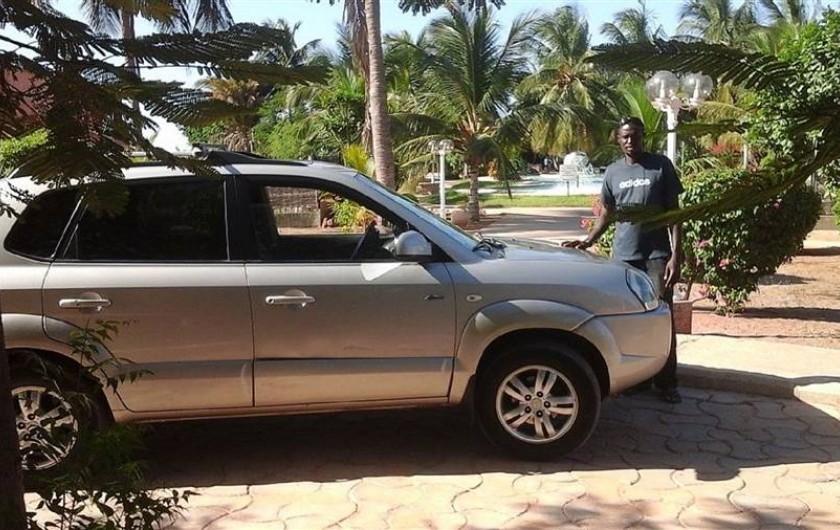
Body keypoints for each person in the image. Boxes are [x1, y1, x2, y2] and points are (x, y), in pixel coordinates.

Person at [563, 116, 683, 404]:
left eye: (635, 135)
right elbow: (607, 213)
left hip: (656, 257)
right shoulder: (613, 172)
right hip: (624, 257)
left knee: (661, 319)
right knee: (631, 319)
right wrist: (588, 240)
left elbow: (675, 215)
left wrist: (676, 256)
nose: (630, 141)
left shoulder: (661, 166)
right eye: (625, 136)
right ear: (618, 139)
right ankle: (639, 378)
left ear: (643, 136)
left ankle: (667, 383)